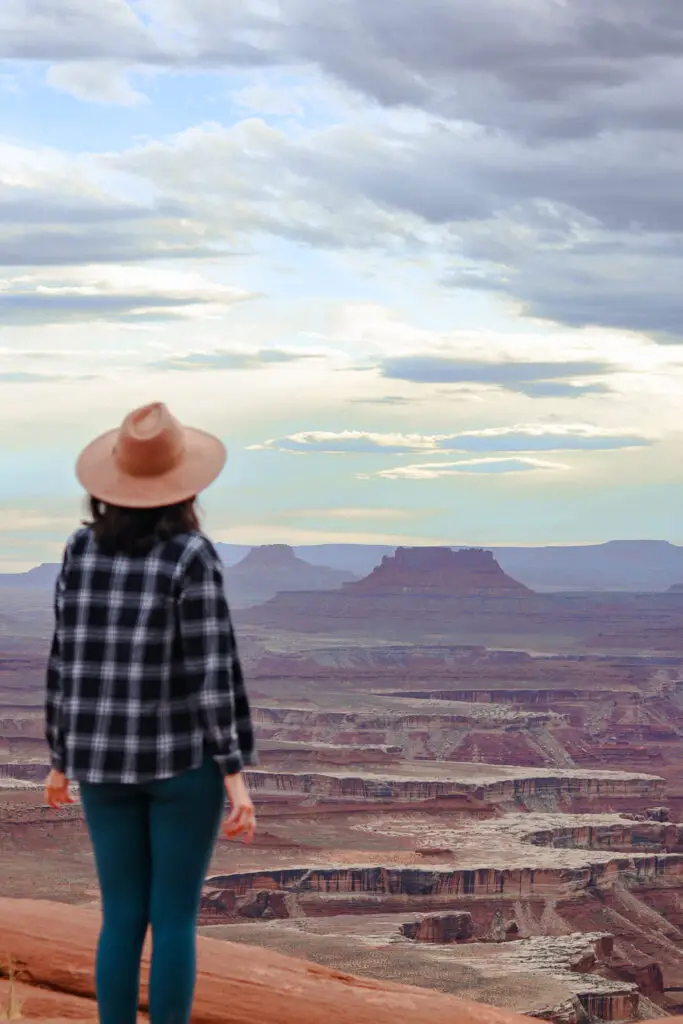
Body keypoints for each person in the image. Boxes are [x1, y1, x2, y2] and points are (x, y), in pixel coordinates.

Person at [43, 402, 257, 1024]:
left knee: (122, 917)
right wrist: (234, 770)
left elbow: (65, 656)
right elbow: (212, 666)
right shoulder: (191, 553)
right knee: (173, 919)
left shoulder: (80, 549)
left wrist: (61, 758)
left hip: (102, 766)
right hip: (182, 765)